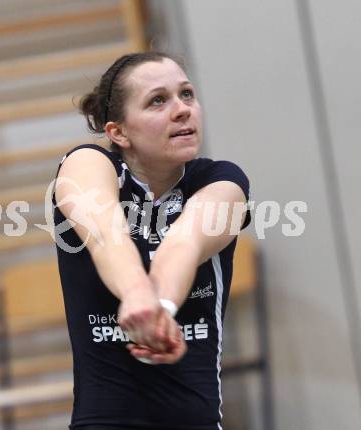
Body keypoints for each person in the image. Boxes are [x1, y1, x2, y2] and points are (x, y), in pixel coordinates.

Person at [52, 52, 251, 430]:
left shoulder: (221, 181)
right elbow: (108, 238)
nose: (181, 110)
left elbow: (183, 244)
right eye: (158, 100)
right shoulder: (87, 164)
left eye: (187, 94)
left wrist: (156, 307)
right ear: (119, 132)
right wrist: (135, 293)